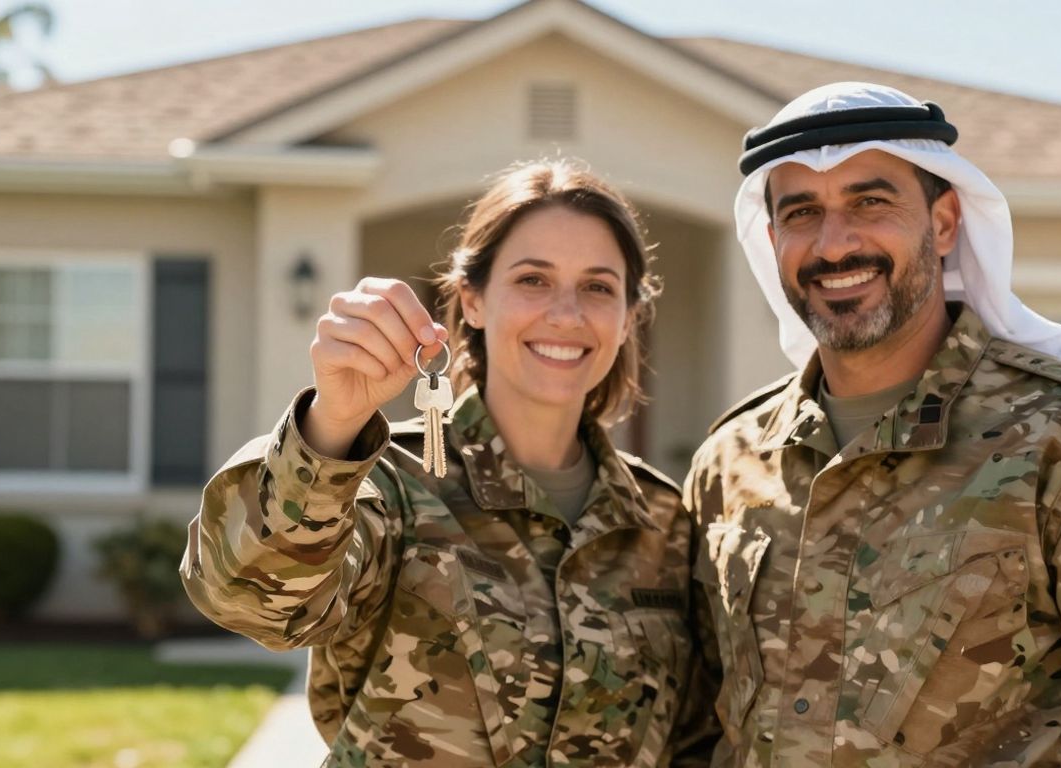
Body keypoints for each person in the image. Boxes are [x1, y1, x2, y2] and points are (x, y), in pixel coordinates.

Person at [678, 82, 1061, 766]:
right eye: (802, 213)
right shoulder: (731, 460)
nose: (834, 245)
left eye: (870, 202)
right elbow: (699, 728)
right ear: (772, 240)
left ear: (946, 222)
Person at [181, 159, 697, 767]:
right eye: (533, 279)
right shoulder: (387, 481)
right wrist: (334, 421)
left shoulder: (663, 520)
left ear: (629, 316)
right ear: (472, 300)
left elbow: (694, 741)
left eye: (598, 287)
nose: (566, 313)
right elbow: (248, 599)